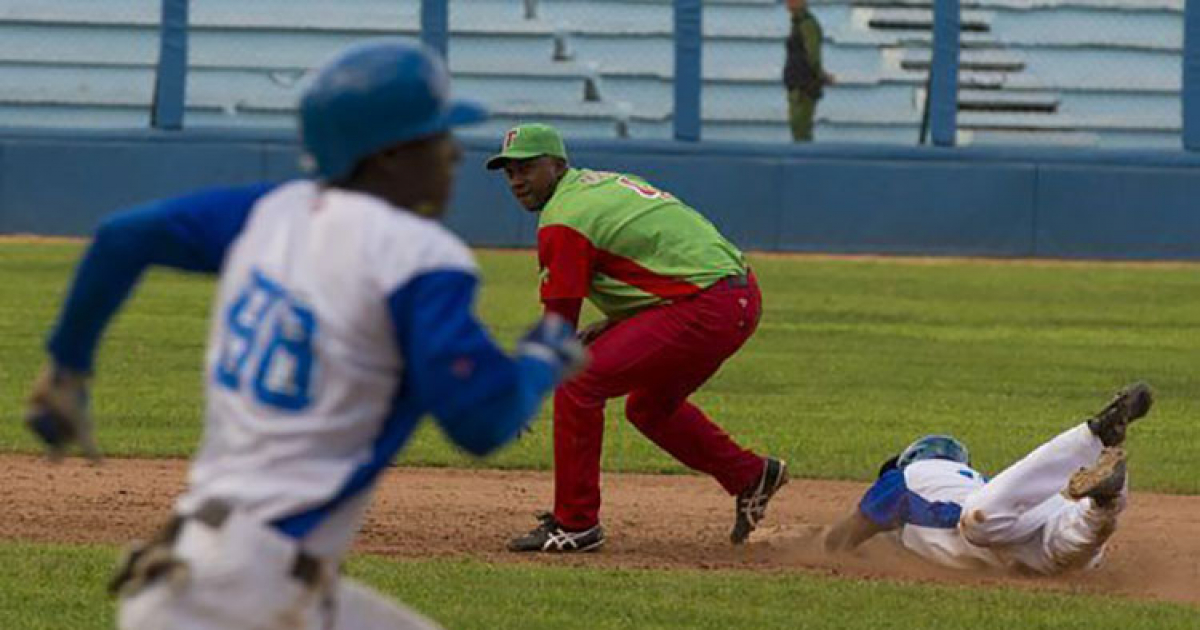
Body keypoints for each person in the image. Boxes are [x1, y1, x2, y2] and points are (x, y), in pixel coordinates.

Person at [23, 41, 585, 630]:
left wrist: (67, 368)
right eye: (437, 137)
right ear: (389, 155)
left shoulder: (269, 211)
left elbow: (120, 237)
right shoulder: (416, 255)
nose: (452, 154)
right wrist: (540, 360)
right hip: (249, 596)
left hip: (200, 572)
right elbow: (482, 422)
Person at [485, 123, 788, 553]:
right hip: (733, 296)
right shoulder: (598, 185)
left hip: (706, 305)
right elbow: (657, 261)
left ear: (557, 164)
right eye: (509, 171)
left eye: (528, 168)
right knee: (649, 407)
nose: (516, 180)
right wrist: (612, 325)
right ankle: (749, 475)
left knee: (578, 381)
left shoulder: (564, 218)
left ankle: (576, 523)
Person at [824, 383, 1154, 575]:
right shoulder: (980, 479)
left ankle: (1092, 436)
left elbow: (845, 537)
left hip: (990, 524)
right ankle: (1104, 500)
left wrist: (811, 545)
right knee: (1072, 547)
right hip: (1023, 548)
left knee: (980, 520)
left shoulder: (910, 476)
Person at [784, 0, 834, 142]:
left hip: (804, 84)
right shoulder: (797, 24)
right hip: (796, 82)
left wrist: (821, 76)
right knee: (797, 127)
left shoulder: (807, 25)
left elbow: (813, 55)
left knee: (801, 128)